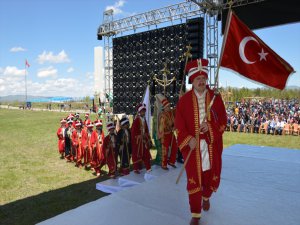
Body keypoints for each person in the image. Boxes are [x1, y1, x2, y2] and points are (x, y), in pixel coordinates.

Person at [175, 58, 227, 225]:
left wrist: (210, 127)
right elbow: (178, 126)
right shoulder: (183, 101)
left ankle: (206, 196)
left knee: (209, 175)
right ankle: (196, 214)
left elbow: (224, 121)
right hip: (193, 148)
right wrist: (187, 139)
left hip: (211, 146)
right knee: (194, 179)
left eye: (204, 78)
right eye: (198, 79)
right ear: (191, 80)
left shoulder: (215, 98)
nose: (201, 81)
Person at [131, 103, 152, 174]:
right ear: (139, 112)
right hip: (138, 142)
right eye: (142, 111)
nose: (144, 112)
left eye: (144, 111)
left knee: (146, 153)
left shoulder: (144, 119)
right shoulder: (136, 120)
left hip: (144, 140)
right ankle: (136, 168)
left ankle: (148, 168)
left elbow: (146, 130)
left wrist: (147, 137)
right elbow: (133, 132)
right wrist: (139, 136)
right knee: (137, 154)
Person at [158, 97, 177, 170]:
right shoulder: (163, 116)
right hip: (165, 134)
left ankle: (171, 162)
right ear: (164, 107)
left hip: (171, 134)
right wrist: (170, 127)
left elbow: (177, 109)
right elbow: (162, 127)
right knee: (165, 150)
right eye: (167, 106)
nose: (169, 107)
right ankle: (164, 164)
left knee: (175, 147)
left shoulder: (171, 112)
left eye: (169, 106)